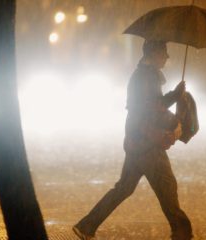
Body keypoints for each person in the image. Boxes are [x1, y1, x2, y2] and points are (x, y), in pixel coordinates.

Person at [73, 40, 193, 240]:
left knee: (123, 189)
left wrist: (174, 96)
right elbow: (152, 107)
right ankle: (182, 234)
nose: (167, 56)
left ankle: (86, 226)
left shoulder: (144, 75)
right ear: (154, 53)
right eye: (164, 52)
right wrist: (175, 95)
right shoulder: (146, 76)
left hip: (137, 141)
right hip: (148, 144)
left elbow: (149, 106)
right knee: (167, 189)